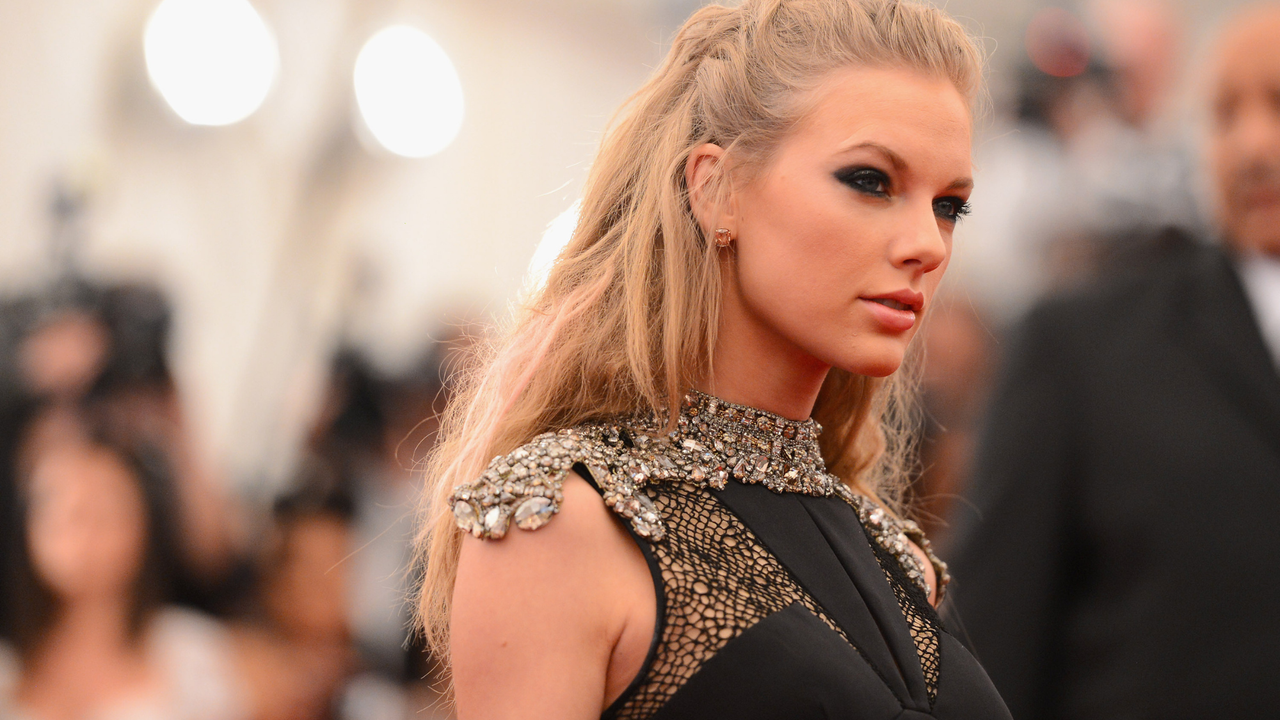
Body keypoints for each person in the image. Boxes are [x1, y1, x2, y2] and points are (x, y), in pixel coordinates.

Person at [412, 1, 1011, 718]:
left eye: (950, 205)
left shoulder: (899, 558)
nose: (929, 243)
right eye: (870, 181)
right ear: (715, 187)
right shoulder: (563, 525)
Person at [945, 5, 1280, 719]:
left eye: (1279, 105)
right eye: (1223, 114)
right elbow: (993, 648)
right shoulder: (1077, 349)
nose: (1253, 144)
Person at [0, 430, 247, 720]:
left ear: (144, 526)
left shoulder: (193, 655)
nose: (84, 535)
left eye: (104, 512)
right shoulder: (7, 666)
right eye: (65, 511)